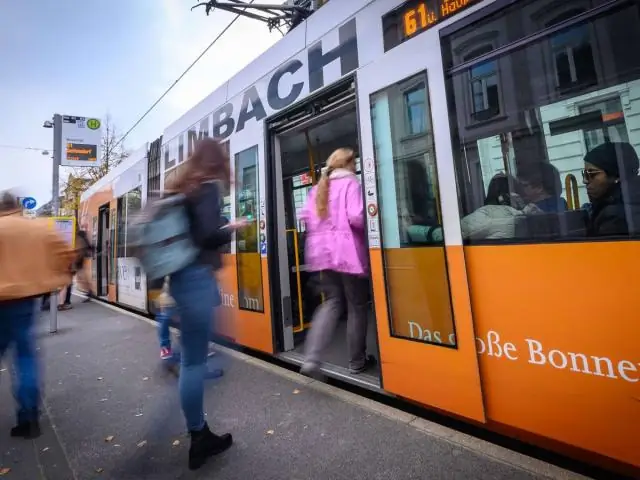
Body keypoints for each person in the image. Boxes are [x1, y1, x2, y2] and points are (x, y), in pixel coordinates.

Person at [164, 138, 248, 470]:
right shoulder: (208, 187)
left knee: (192, 361)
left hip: (183, 280)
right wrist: (232, 227)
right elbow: (207, 235)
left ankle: (199, 431)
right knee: (195, 363)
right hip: (198, 279)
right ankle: (198, 437)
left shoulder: (184, 187)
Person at [0, 191, 75, 438]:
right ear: (18, 207)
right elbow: (66, 256)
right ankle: (29, 417)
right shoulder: (38, 229)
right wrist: (55, 280)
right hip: (25, 303)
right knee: (26, 359)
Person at [298, 148, 374, 376]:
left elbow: (306, 217)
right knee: (357, 306)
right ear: (348, 163)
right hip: (348, 254)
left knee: (332, 302)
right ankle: (357, 361)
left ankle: (312, 357)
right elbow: (356, 217)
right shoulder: (351, 184)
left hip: (323, 255)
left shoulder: (318, 188)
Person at [582, 142, 640, 236]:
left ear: (616, 176)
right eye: (584, 173)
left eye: (591, 173)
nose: (585, 180)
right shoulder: (631, 200)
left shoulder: (613, 217)